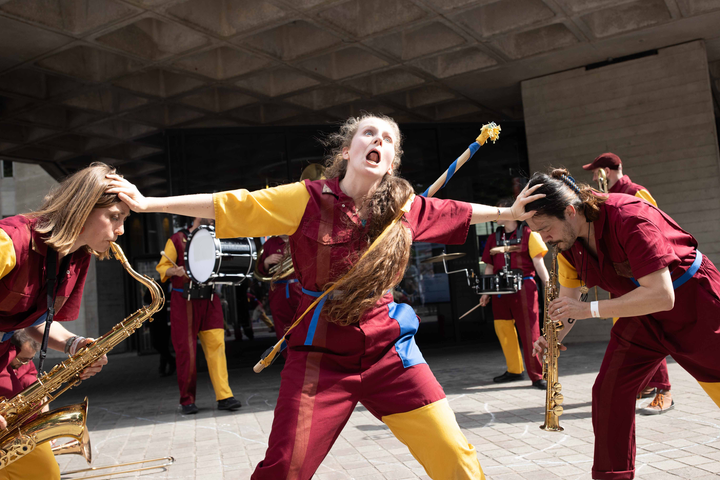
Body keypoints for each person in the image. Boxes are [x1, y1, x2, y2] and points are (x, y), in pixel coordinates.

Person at [108, 113, 543, 480]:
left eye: (388, 139)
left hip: (392, 354)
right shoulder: (307, 199)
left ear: (392, 162)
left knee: (455, 457)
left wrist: (509, 213)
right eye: (368, 134)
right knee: (284, 468)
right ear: (347, 151)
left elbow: (459, 212)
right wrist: (148, 205)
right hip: (319, 359)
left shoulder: (402, 209)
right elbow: (233, 204)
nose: (378, 140)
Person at [526, 168, 720, 480]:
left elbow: (662, 296)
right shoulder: (567, 244)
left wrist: (589, 310)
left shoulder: (629, 216)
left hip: (694, 303)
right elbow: (569, 304)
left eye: (546, 229)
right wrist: (553, 335)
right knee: (609, 391)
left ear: (570, 211)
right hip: (641, 314)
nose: (544, 239)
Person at [0, 162, 118, 480]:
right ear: (82, 208)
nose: (120, 230)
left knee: (42, 473)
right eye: (115, 217)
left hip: (10, 375)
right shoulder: (9, 241)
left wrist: (73, 344)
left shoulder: (76, 256)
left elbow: (32, 318)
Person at [583, 153, 671, 414]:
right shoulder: (602, 198)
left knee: (650, 329)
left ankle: (663, 388)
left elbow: (657, 226)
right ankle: (645, 384)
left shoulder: (636, 192)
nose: (593, 177)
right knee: (627, 332)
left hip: (641, 275)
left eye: (595, 172)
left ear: (607, 171)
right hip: (619, 278)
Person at [155, 217, 242, 415]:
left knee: (217, 348)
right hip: (184, 301)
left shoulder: (216, 238)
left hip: (210, 298)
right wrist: (174, 271)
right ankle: (187, 400)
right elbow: (162, 268)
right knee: (187, 352)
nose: (211, 217)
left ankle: (224, 396)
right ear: (194, 215)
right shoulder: (177, 239)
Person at [479, 198, 549, 389]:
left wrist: (549, 285)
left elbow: (538, 264)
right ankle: (514, 370)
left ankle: (537, 375)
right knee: (504, 330)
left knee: (530, 332)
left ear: (510, 213)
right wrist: (486, 292)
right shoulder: (493, 238)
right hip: (499, 290)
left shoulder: (529, 234)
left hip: (524, 288)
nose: (496, 215)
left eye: (499, 211)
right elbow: (489, 266)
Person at [257, 235, 301, 344]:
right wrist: (266, 262)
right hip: (278, 291)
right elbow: (259, 271)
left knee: (303, 324)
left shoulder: (300, 239)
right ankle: (288, 357)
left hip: (300, 289)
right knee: (282, 328)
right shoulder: (270, 244)